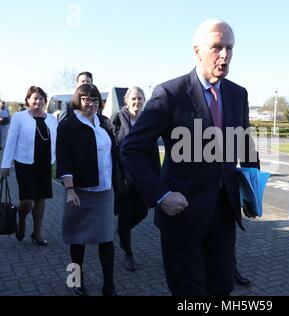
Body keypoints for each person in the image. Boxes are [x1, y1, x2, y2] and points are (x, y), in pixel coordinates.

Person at [121, 19, 259, 296]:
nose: (225, 55)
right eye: (217, 47)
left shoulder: (237, 94)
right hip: (182, 215)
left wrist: (253, 194)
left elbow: (244, 145)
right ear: (197, 50)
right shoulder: (170, 94)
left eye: (230, 48)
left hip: (224, 214)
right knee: (190, 293)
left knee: (221, 288)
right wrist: (160, 195)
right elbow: (131, 148)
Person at [56, 83, 122, 296]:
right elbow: (64, 160)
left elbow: (112, 153)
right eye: (86, 99)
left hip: (104, 190)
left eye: (94, 100)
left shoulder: (103, 122)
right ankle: (75, 279)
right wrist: (69, 189)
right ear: (78, 100)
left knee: (106, 238)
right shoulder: (67, 125)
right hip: (80, 191)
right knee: (77, 239)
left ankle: (109, 284)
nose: (91, 104)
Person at [0, 87, 58, 245]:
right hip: (24, 163)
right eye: (34, 98)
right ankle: (21, 220)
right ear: (28, 100)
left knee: (41, 199)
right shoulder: (19, 117)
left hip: (45, 164)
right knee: (27, 200)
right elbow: (11, 140)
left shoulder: (52, 119)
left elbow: (57, 141)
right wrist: (5, 165)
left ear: (45, 101)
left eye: (41, 98)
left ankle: (37, 233)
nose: (38, 101)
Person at [111, 87, 150, 271]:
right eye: (133, 98)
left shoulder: (148, 119)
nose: (137, 102)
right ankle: (128, 253)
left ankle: (121, 232)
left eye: (140, 98)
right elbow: (111, 147)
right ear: (126, 100)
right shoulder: (117, 118)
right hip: (123, 176)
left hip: (142, 176)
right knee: (125, 214)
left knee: (142, 211)